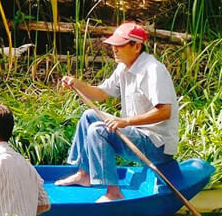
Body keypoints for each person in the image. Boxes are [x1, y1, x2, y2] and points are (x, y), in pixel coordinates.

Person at [55, 22, 179, 202]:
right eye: (114, 45)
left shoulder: (153, 70)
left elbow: (164, 112)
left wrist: (126, 122)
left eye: (120, 45)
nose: (114, 49)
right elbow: (101, 94)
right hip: (136, 134)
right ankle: (84, 174)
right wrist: (76, 83)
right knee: (89, 116)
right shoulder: (123, 67)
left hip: (156, 144)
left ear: (136, 46)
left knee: (98, 130)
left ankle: (113, 192)